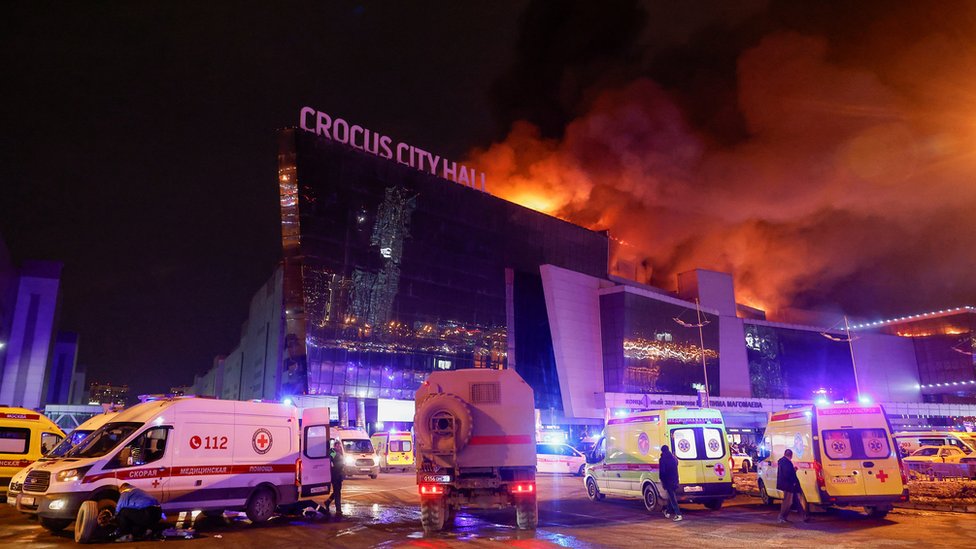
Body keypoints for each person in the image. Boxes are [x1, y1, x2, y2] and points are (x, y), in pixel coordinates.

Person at [776, 449, 809, 524]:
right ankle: (782, 517)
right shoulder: (786, 462)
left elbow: (786, 473)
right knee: (787, 502)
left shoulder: (783, 461)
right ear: (791, 455)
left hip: (789, 485)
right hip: (789, 485)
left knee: (796, 501)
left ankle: (804, 516)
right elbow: (787, 474)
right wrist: (794, 472)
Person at [659, 445, 682, 522]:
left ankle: (678, 514)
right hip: (675, 480)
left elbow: (662, 472)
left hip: (668, 481)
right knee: (671, 496)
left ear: (662, 451)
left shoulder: (662, 459)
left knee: (672, 498)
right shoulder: (673, 458)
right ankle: (668, 512)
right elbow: (676, 465)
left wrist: (663, 481)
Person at [322, 440, 345, 517]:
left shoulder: (340, 452)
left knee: (337, 491)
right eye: (337, 445)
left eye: (339, 445)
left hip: (339, 475)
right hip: (335, 474)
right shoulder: (333, 451)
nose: (338, 447)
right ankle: (338, 509)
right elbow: (331, 459)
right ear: (334, 446)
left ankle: (328, 502)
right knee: (337, 492)